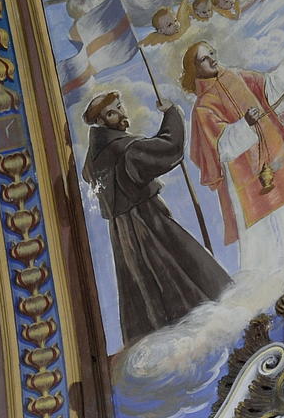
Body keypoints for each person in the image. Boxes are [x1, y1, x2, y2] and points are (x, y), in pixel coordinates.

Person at [82, 91, 231, 345]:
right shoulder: (122, 148)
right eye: (114, 111)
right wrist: (172, 112)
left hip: (121, 232)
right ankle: (202, 322)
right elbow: (168, 148)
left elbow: (89, 178)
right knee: (177, 267)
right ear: (104, 120)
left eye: (120, 106)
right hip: (147, 222)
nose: (122, 113)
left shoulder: (92, 160)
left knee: (141, 282)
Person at [181, 41, 284, 267]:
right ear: (195, 69)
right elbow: (220, 147)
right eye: (203, 59)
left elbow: (270, 88)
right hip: (246, 177)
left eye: (212, 52)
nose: (211, 59)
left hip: (278, 157)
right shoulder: (203, 107)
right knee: (272, 229)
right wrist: (245, 125)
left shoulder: (239, 77)